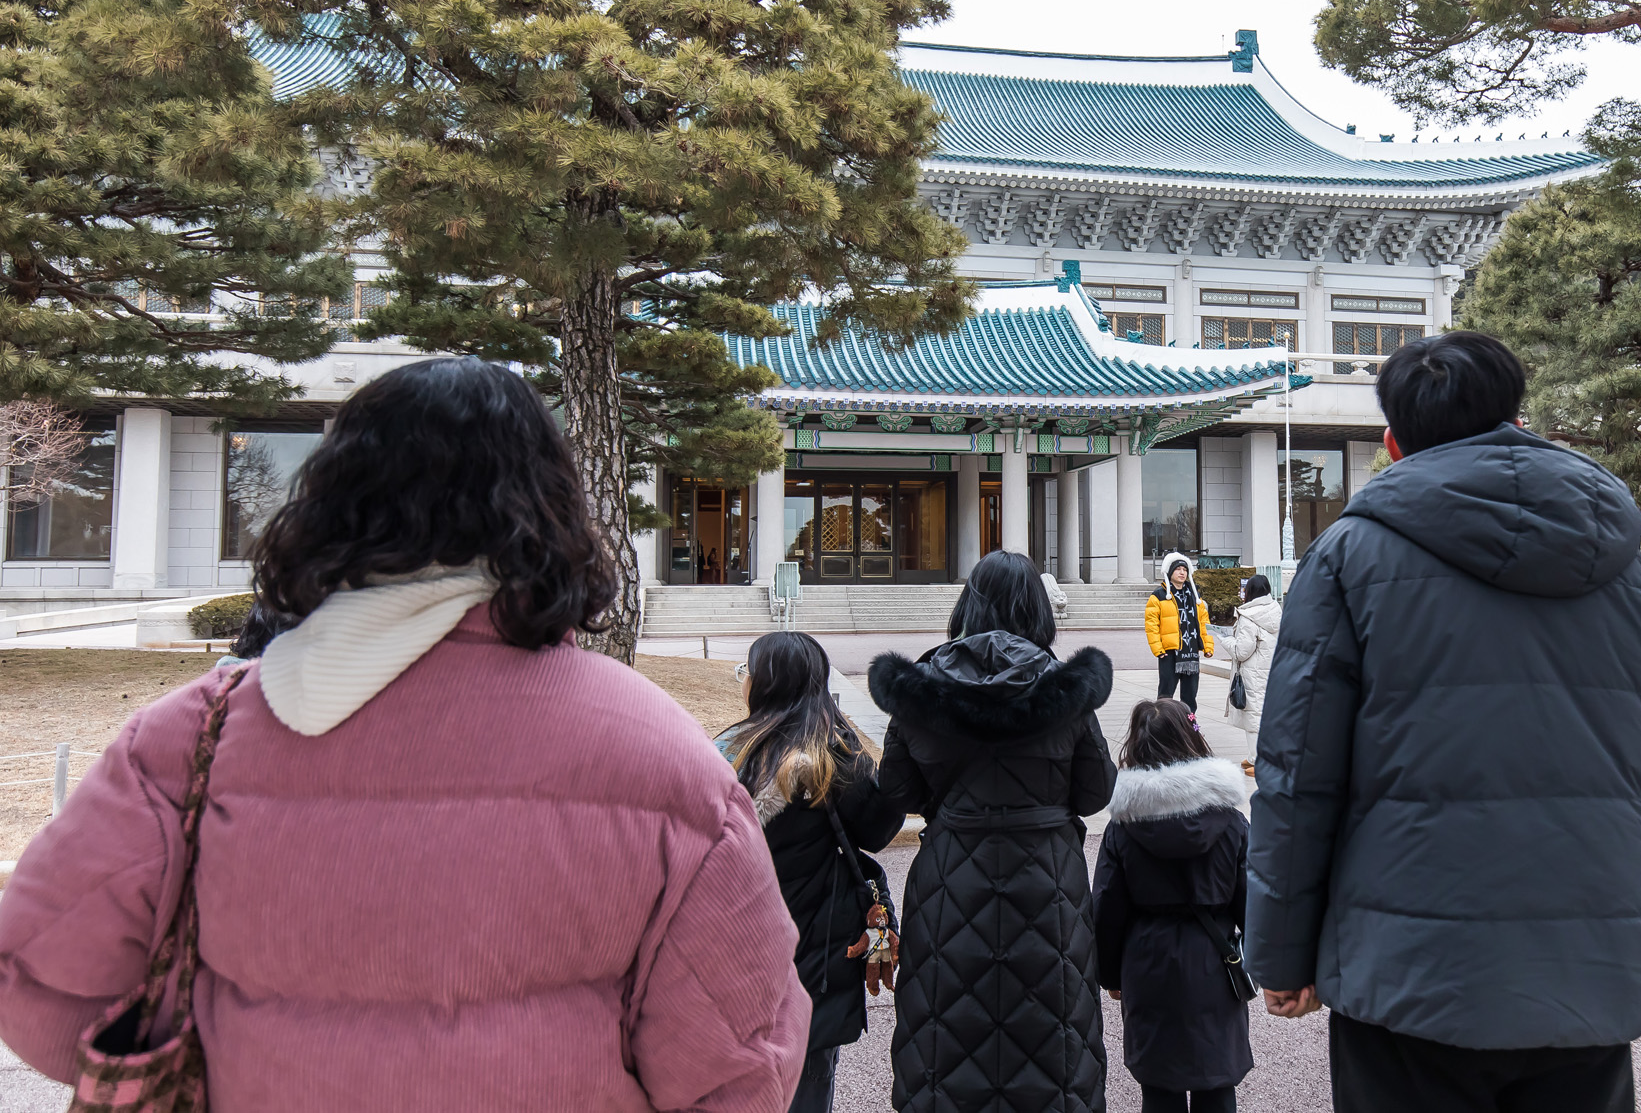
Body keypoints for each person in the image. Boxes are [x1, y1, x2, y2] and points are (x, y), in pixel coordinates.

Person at [0, 357, 809, 1110]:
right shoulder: (660, 751)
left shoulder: (195, 736)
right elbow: (739, 1061)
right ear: (553, 508)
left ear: (330, 502)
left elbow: (36, 984)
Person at [1245, 331, 1641, 1113]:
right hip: (1584, 965)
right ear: (1516, 418)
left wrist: (1279, 950)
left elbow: (1298, 773)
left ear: (1392, 442)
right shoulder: (1627, 569)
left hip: (1409, 969)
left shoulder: (1350, 556)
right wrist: (1623, 922)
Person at [868, 550, 1117, 1112]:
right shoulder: (1065, 688)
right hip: (1047, 878)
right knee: (1054, 1036)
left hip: (951, 877)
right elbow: (1096, 791)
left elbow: (898, 792)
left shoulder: (922, 687)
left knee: (944, 1029)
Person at [717, 631, 904, 1113]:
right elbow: (877, 829)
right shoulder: (834, 758)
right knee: (808, 1087)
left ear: (766, 684)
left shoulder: (727, 754)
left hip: (735, 962)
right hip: (814, 970)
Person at [1092, 700, 1252, 1113]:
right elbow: (1253, 899)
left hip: (1148, 958)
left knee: (1158, 1088)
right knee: (1217, 1083)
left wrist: (1109, 972)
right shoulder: (1231, 821)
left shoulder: (1123, 828)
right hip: (1214, 959)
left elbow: (1107, 907)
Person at [1211, 574, 1280, 773]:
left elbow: (1242, 651)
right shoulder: (1275, 611)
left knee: (1253, 718)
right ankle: (1256, 757)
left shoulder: (1249, 616)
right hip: (1270, 671)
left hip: (1253, 674)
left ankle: (1259, 760)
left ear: (1249, 592)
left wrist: (1225, 639)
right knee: (1265, 714)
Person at [1147, 552, 1213, 713]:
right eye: (1178, 569)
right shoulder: (1159, 596)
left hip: (1191, 653)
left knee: (1190, 697)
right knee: (1165, 696)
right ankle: (1161, 727)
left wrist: (1208, 646)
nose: (1182, 573)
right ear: (1170, 572)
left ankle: (1191, 729)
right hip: (1169, 653)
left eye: (1185, 569)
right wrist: (1158, 649)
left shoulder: (1194, 595)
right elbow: (1151, 624)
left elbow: (1204, 622)